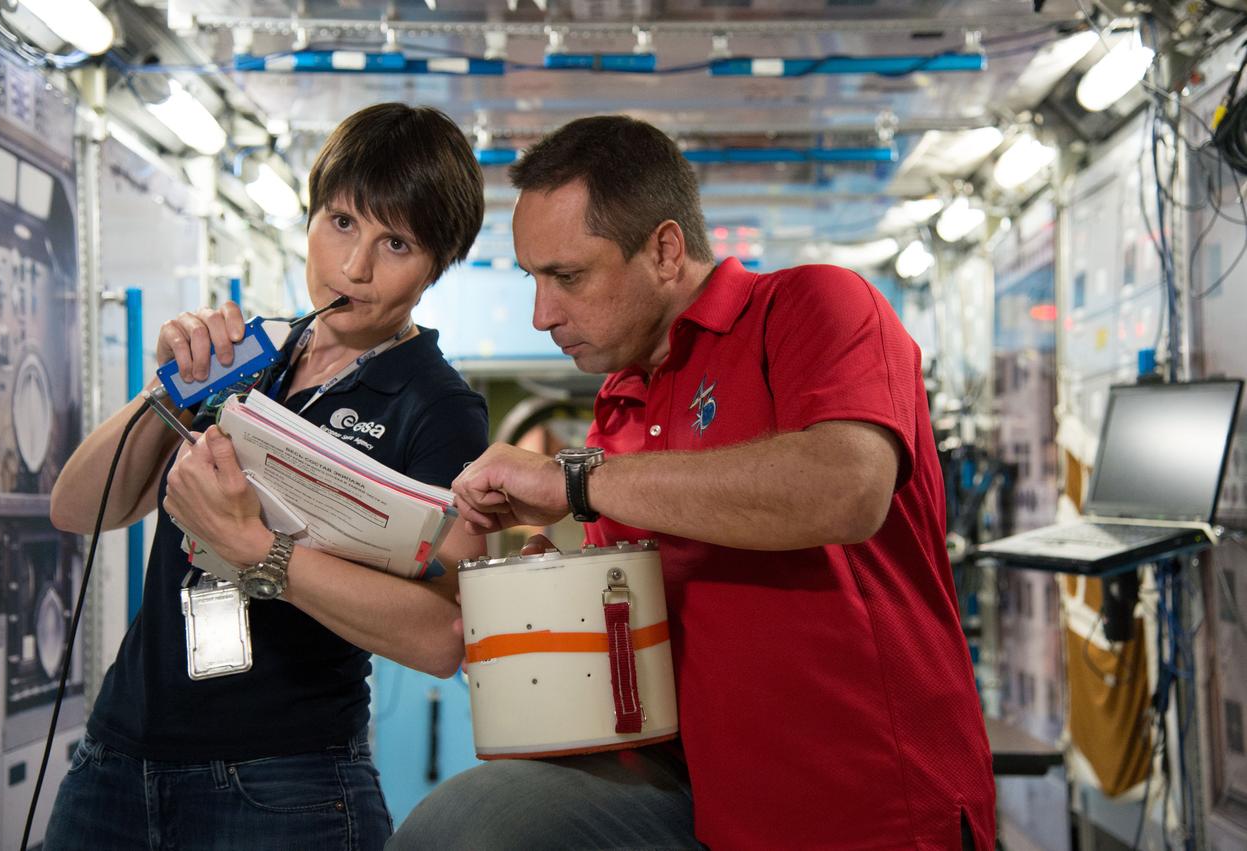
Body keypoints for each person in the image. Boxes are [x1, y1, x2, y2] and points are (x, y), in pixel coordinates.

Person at [392, 115, 995, 850]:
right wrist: (556, 597)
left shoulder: (814, 306)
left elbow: (845, 487)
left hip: (871, 813)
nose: (542, 313)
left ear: (665, 249)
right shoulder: (619, 401)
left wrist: (577, 481)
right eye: (533, 278)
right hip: (710, 809)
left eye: (568, 276)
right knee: (458, 831)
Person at [45, 103, 488, 851]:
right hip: (116, 760)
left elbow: (443, 634)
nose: (354, 268)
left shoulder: (436, 405)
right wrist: (167, 388)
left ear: (435, 263)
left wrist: (257, 550)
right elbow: (76, 507)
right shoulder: (254, 352)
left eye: (396, 242)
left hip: (285, 784)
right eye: (340, 222)